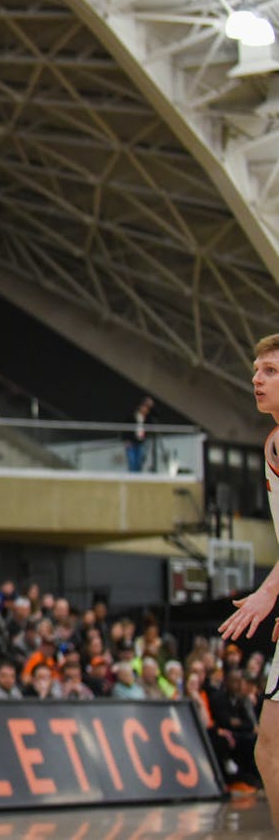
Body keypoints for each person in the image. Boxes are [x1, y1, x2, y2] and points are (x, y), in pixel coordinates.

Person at [218, 331, 279, 828]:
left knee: (272, 748)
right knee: (271, 747)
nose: (257, 379)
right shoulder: (274, 443)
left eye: (272, 371)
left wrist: (269, 591)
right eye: (256, 371)